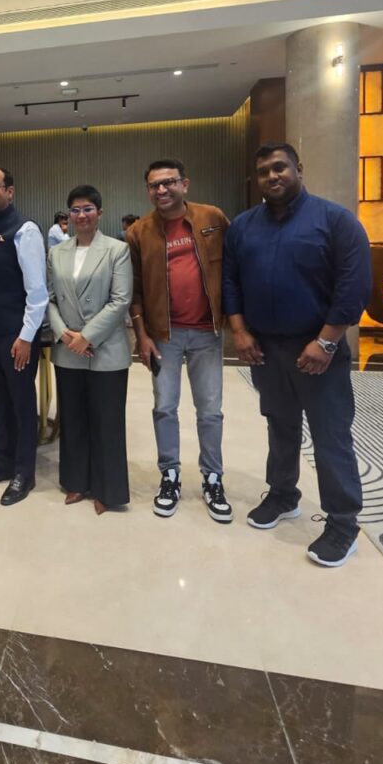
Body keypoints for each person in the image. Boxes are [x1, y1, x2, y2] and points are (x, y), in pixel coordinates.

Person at [223, 144, 372, 568]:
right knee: (280, 425)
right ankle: (283, 494)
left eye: (280, 168)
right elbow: (230, 281)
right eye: (263, 171)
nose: (272, 176)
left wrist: (326, 342)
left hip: (317, 348)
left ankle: (343, 523)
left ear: (298, 169)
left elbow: (354, 285)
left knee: (330, 436)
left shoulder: (335, 221)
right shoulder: (244, 226)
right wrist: (240, 332)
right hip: (266, 348)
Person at [128, 158, 233, 523]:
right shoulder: (139, 232)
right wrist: (142, 336)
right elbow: (134, 291)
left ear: (184, 184)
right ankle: (169, 475)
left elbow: (233, 269)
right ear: (148, 190)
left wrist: (239, 323)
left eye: (169, 182)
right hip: (164, 336)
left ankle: (212, 477)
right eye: (154, 185)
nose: (162, 190)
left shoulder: (212, 218)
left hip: (207, 333)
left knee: (210, 410)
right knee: (164, 407)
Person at [48, 185, 133, 514]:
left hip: (106, 349)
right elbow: (49, 298)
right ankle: (76, 482)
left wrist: (88, 337)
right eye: (75, 209)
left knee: (107, 422)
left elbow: (120, 300)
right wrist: (64, 334)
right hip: (68, 349)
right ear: (68, 216)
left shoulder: (117, 250)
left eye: (87, 209)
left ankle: (107, 489)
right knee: (73, 419)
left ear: (100, 213)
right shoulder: (56, 252)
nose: (81, 215)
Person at [0, 164, 48, 507]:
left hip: (16, 337)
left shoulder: (25, 230)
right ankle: (2, 462)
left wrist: (27, 336)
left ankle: (24, 471)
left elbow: (38, 292)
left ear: (10, 191)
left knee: (21, 403)